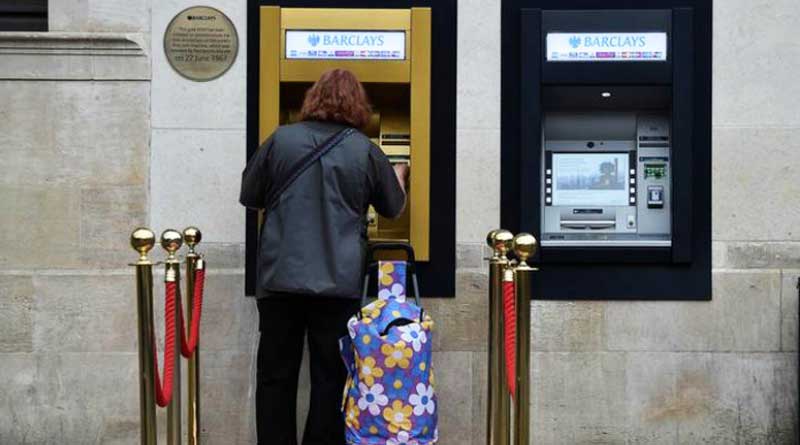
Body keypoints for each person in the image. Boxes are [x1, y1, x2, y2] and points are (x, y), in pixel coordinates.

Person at [239, 68, 408, 445]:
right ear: (359, 106)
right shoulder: (365, 149)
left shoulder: (280, 140)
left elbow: (250, 195)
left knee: (275, 377)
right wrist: (398, 175)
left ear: (312, 99)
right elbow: (393, 208)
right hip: (338, 283)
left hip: (280, 281)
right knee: (330, 379)